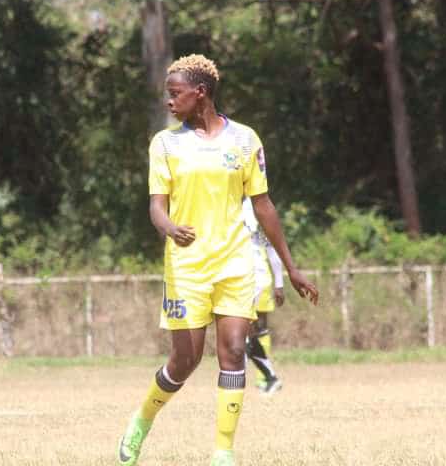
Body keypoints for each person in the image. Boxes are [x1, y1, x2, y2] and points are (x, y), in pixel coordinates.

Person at [117, 54, 318, 466]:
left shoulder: (245, 140)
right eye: (168, 94)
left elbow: (263, 206)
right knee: (184, 362)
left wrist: (291, 267)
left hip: (234, 263)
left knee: (234, 351)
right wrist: (169, 227)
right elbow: (156, 206)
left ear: (200, 92)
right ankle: (142, 420)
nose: (169, 101)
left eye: (176, 94)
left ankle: (223, 454)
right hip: (187, 267)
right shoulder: (165, 143)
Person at [242, 197, 285, 396]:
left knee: (244, 331)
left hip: (254, 277)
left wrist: (279, 282)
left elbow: (271, 246)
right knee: (250, 332)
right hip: (245, 276)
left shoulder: (255, 206)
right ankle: (268, 377)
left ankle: (246, 379)